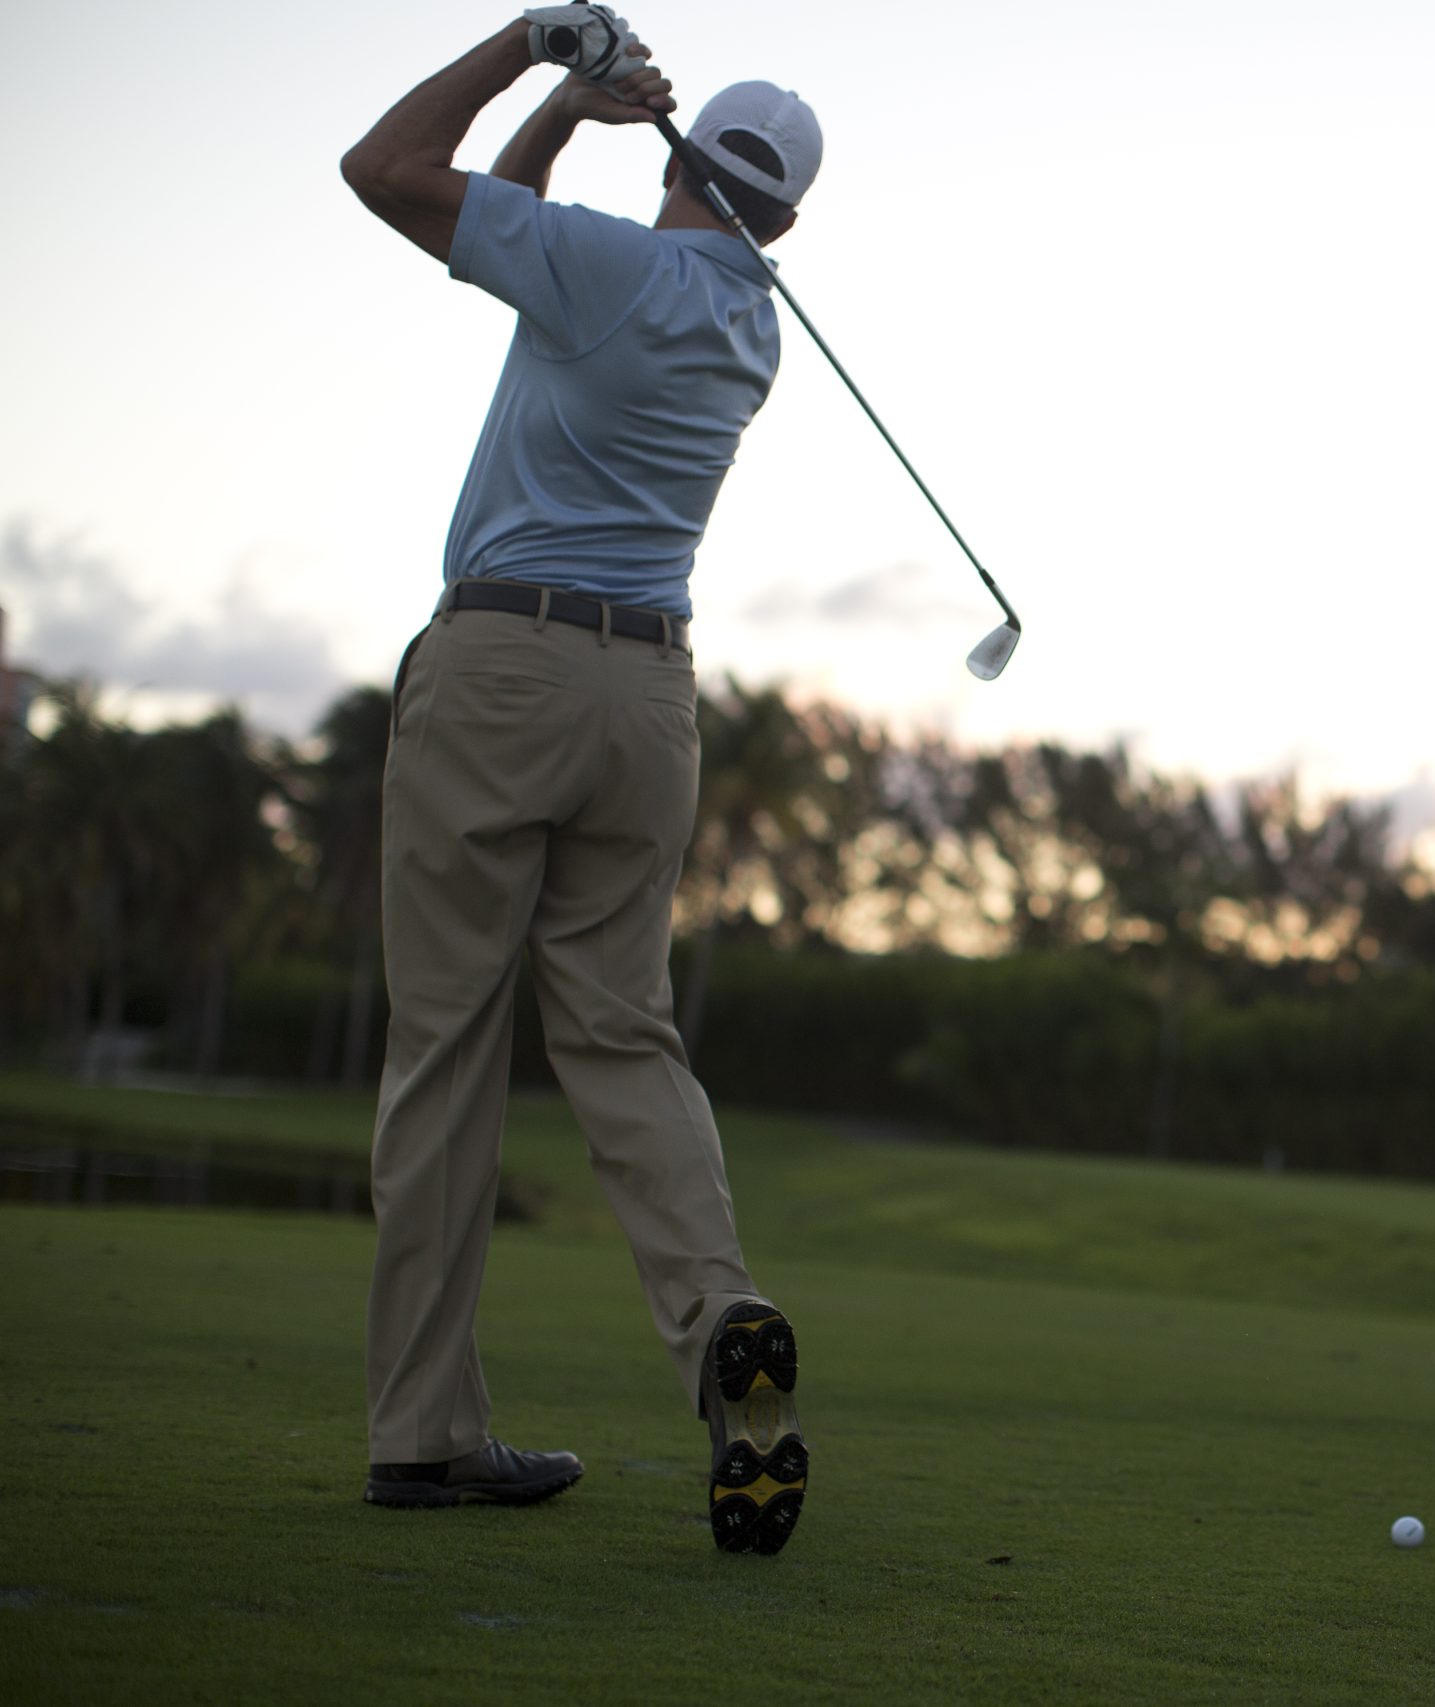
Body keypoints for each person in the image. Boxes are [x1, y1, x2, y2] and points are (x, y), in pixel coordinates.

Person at [338, 6, 818, 1555]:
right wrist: (581, 114)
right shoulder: (752, 330)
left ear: (684, 160)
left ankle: (424, 1433)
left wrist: (535, 48)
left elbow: (389, 168)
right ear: (789, 215)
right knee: (624, 1037)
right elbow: (524, 223)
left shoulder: (604, 271)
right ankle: (721, 1320)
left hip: (504, 675)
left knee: (448, 1054)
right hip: (648, 701)